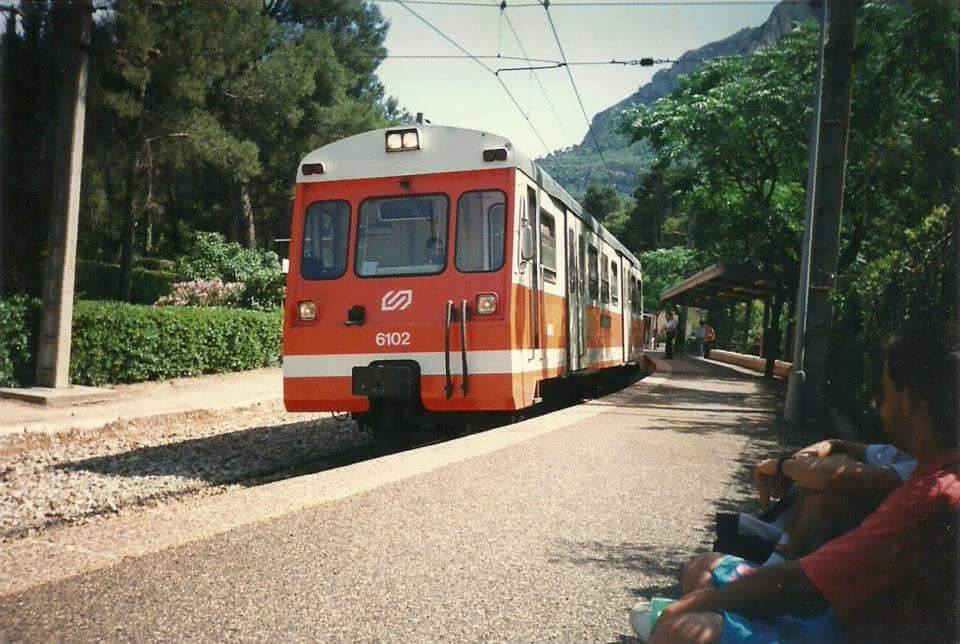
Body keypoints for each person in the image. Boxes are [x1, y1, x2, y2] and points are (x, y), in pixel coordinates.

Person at [633, 321, 960, 644]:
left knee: (679, 631)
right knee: (700, 576)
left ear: (911, 404)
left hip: (844, 626)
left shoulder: (930, 498)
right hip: (848, 613)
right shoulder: (935, 471)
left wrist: (691, 607)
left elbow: (803, 586)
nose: (877, 406)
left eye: (883, 393)